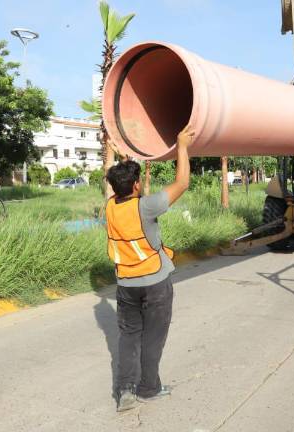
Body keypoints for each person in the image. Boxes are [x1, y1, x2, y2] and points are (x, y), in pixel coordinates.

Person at [105, 126, 195, 412]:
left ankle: (125, 391)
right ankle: (148, 388)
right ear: (135, 186)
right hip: (154, 284)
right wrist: (182, 145)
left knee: (128, 336)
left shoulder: (110, 207)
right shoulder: (146, 206)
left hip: (125, 284)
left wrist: (123, 159)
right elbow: (182, 183)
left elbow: (117, 184)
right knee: (153, 338)